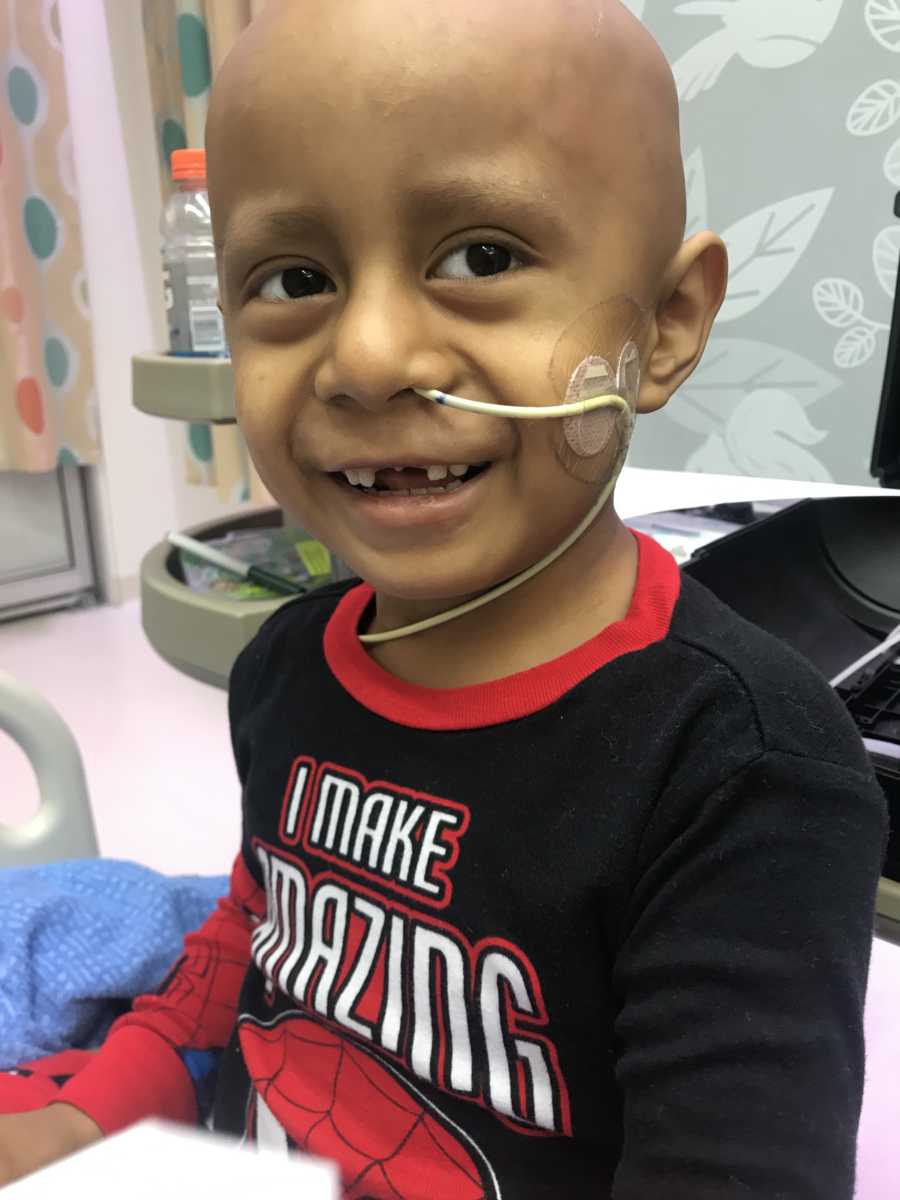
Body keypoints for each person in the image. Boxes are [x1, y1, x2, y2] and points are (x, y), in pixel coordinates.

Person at [0, 1, 888, 1196]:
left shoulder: (744, 769)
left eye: (481, 257)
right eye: (295, 275)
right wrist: (101, 1111)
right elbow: (255, 933)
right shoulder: (287, 666)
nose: (366, 357)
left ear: (668, 327)